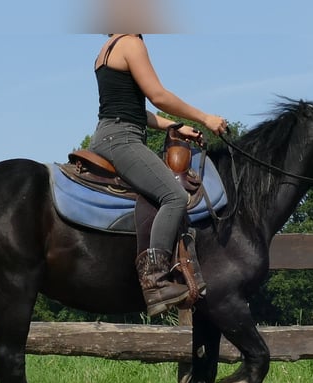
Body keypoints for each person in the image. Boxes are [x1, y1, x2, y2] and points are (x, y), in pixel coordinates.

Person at [89, 33, 228, 316]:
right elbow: (158, 96)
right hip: (122, 140)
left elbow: (135, 111)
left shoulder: (106, 49)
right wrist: (205, 118)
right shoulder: (131, 43)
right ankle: (156, 282)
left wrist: (174, 125)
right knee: (174, 196)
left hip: (108, 134)